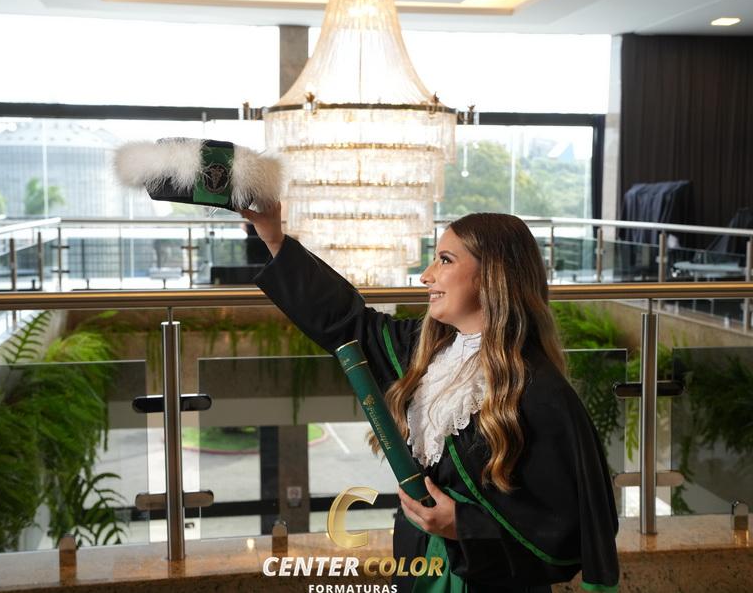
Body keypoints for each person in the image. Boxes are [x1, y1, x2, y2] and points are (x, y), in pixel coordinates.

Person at [240, 202, 620, 593]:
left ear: (492, 276)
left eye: (445, 260)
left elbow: (566, 534)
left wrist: (463, 527)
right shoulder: (425, 353)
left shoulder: (540, 393)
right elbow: (346, 320)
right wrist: (273, 236)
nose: (426, 275)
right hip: (415, 569)